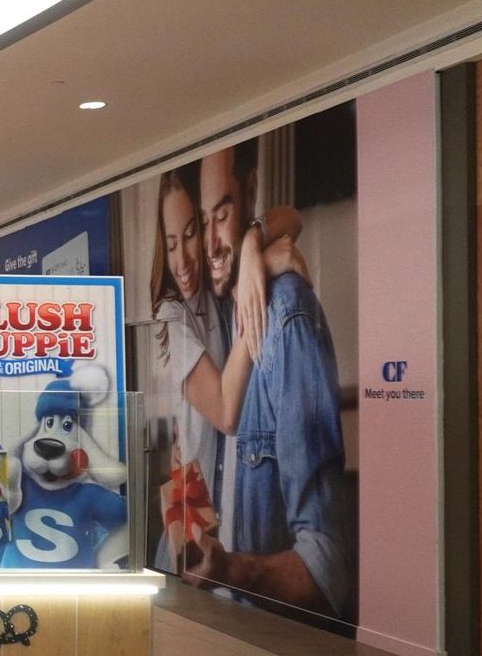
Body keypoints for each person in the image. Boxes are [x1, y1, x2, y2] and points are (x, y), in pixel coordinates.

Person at [185, 144, 351, 618]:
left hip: (266, 639)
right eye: (202, 223)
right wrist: (256, 250)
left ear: (251, 192)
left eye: (222, 215)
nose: (210, 244)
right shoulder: (204, 314)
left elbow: (325, 567)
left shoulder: (285, 315)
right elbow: (289, 218)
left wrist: (230, 570)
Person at [149, 162, 305, 569]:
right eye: (170, 244)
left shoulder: (214, 288)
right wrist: (260, 276)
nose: (182, 260)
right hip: (190, 539)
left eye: (191, 234)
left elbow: (292, 217)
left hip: (231, 526)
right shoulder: (168, 316)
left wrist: (252, 246)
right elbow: (225, 412)